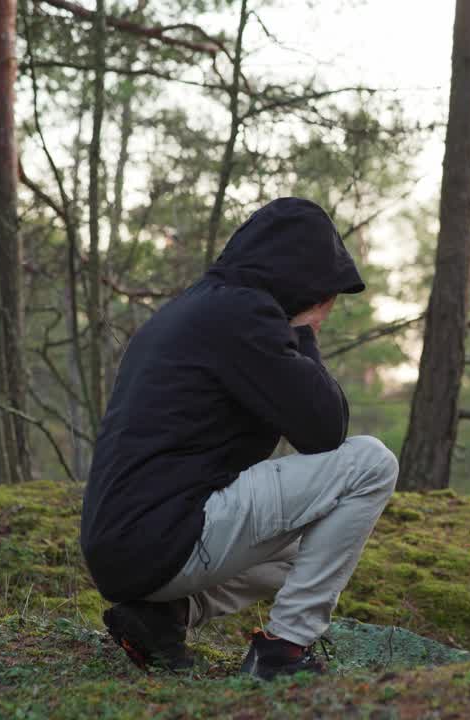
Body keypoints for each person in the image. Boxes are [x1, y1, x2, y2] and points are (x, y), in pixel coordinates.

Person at [79, 197, 398, 680]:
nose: (326, 311)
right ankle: (283, 651)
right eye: (326, 299)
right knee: (371, 463)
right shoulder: (244, 314)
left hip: (127, 547)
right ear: (304, 279)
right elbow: (325, 429)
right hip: (167, 535)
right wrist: (304, 334)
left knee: (319, 546)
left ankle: (160, 618)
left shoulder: (195, 310)